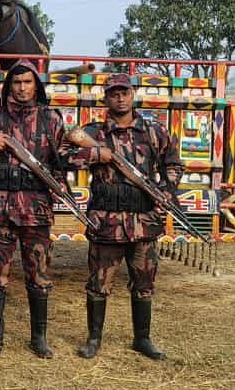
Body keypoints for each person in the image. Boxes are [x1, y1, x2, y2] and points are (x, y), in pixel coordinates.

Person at [63, 73, 181, 360]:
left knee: (144, 283)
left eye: (124, 92)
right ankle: (93, 339)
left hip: (143, 219)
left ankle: (142, 339)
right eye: (114, 93)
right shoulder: (93, 132)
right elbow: (63, 155)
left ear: (132, 95)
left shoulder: (154, 131)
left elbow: (174, 164)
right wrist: (95, 156)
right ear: (106, 98)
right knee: (99, 283)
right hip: (107, 221)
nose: (119, 97)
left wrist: (166, 190)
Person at [0, 59, 67, 359]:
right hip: (0, 208)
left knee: (38, 275)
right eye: (17, 82)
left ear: (35, 85)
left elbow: (59, 161)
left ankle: (38, 338)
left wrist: (61, 187)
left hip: (35, 211)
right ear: (9, 86)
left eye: (28, 82)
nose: (22, 88)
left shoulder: (50, 119)